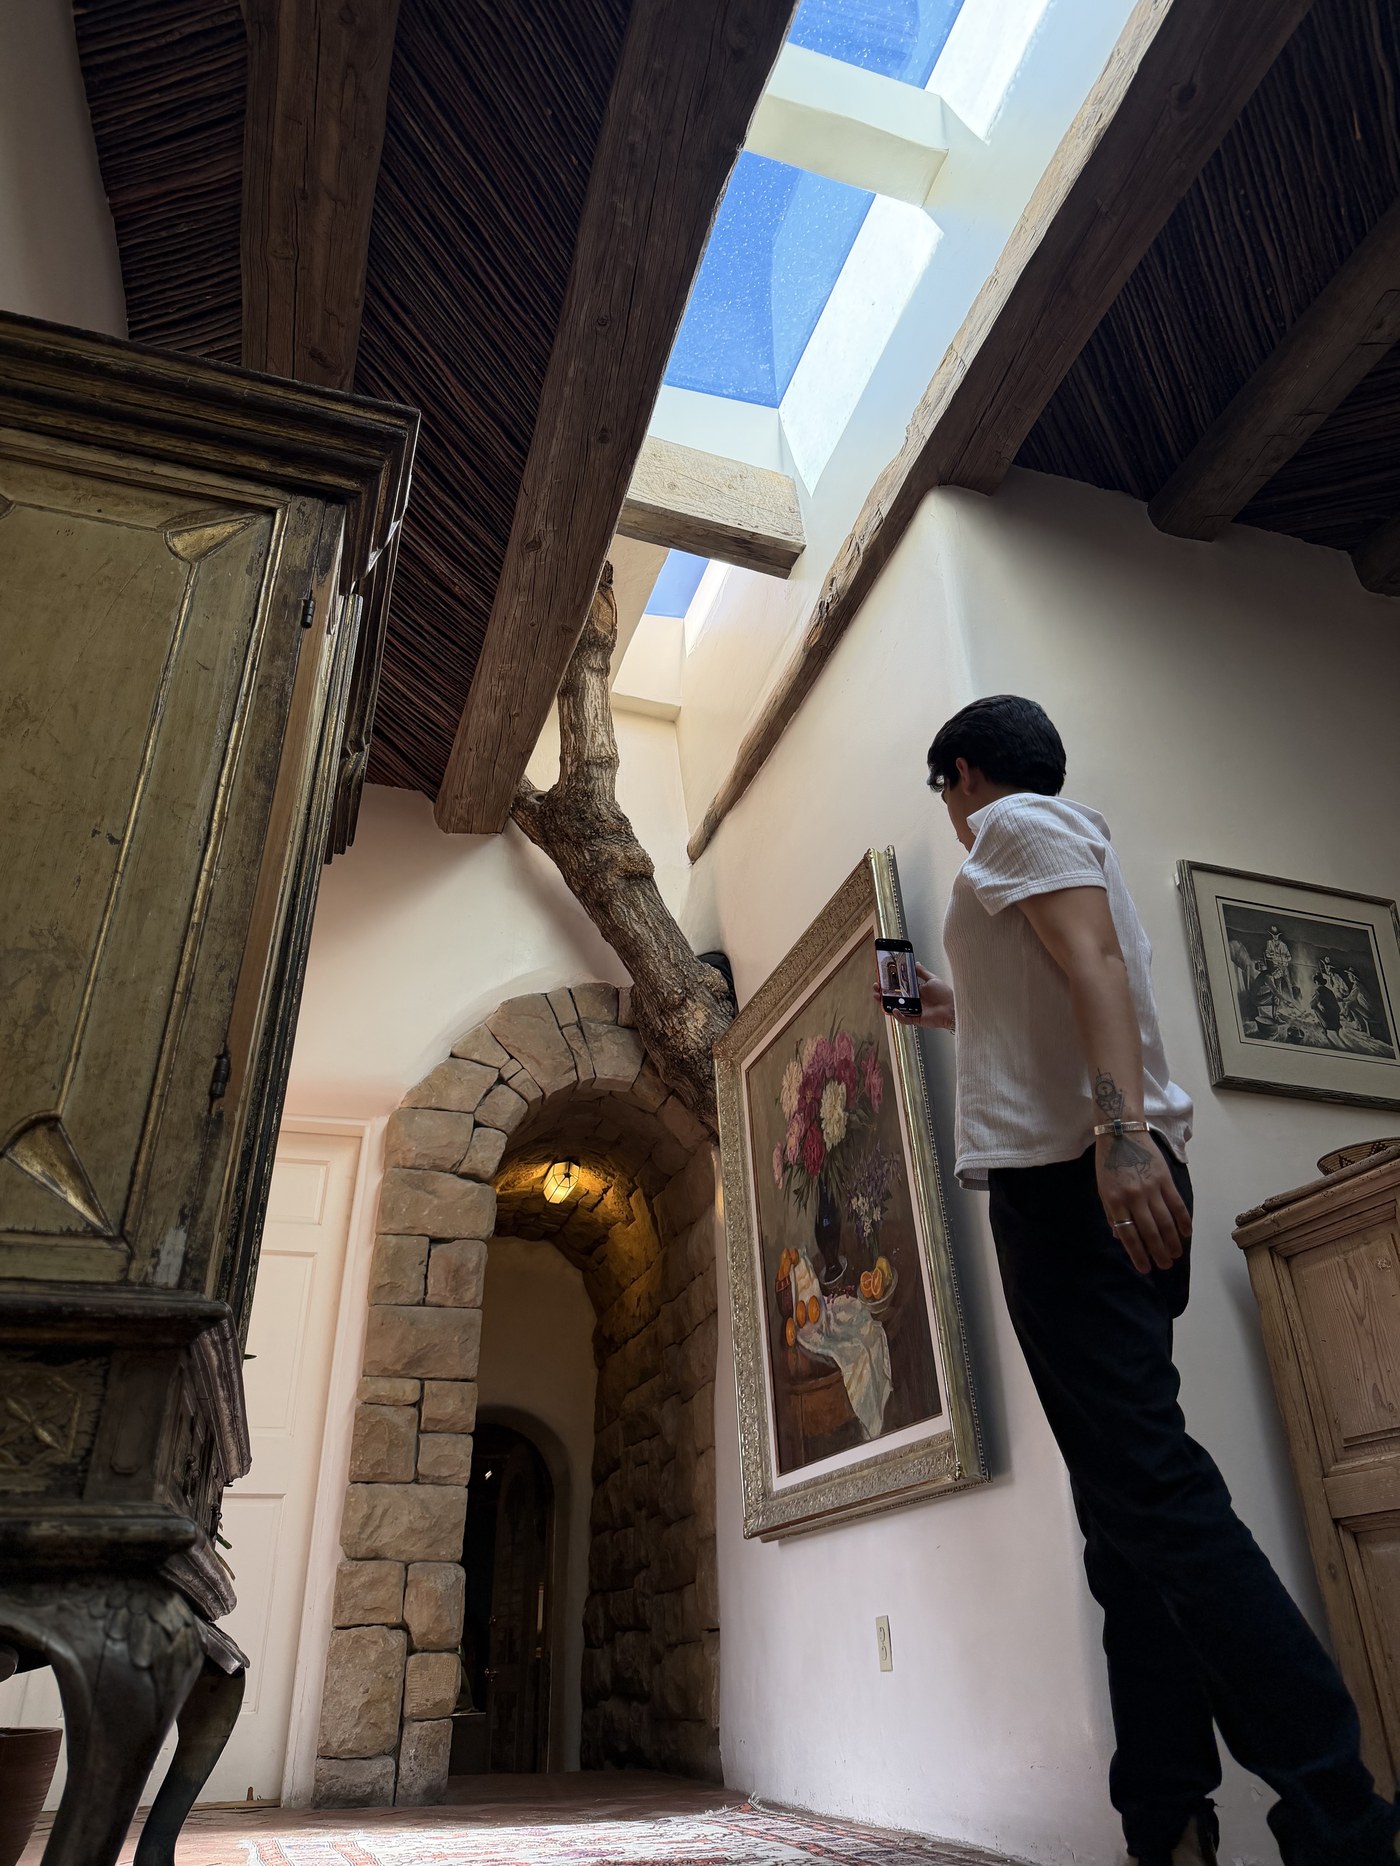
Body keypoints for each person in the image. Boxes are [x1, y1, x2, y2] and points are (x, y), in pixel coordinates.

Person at [882, 694, 1397, 1866]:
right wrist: (948, 1006)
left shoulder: (1017, 825)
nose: (953, 818)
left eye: (946, 795)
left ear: (961, 773)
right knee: (1125, 1522)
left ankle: (1341, 1816)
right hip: (1094, 1184)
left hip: (1075, 1187)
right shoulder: (1066, 844)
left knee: (1151, 1498)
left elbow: (1093, 963)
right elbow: (1064, 984)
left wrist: (1117, 1138)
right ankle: (1165, 1820)